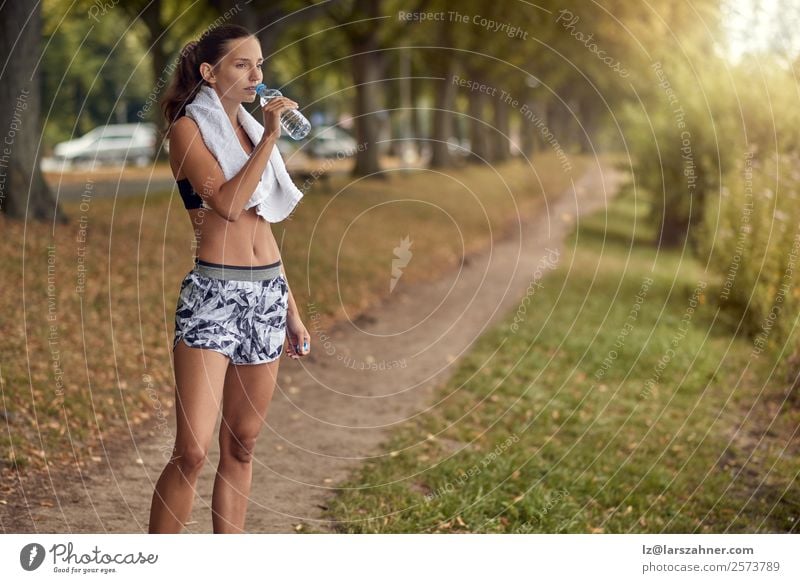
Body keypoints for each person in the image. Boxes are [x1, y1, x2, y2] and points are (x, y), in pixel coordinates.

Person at [148, 24, 310, 534]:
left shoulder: (248, 128)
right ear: (209, 72)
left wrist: (292, 311)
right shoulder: (187, 129)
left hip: (266, 295)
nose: (257, 76)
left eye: (259, 65)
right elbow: (227, 203)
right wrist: (270, 139)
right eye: (243, 65)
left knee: (241, 444)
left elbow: (261, 225)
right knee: (192, 451)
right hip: (213, 296)